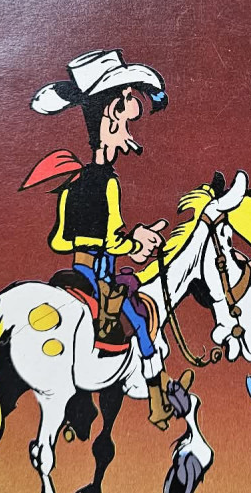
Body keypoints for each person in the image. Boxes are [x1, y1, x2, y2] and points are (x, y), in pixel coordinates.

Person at [20, 48, 174, 427]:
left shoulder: (72, 181)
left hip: (74, 273)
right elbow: (113, 241)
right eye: (127, 107)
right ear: (112, 115)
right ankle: (156, 396)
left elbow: (59, 241)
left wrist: (88, 241)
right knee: (139, 318)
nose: (131, 127)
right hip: (98, 276)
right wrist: (137, 242)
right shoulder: (107, 181)